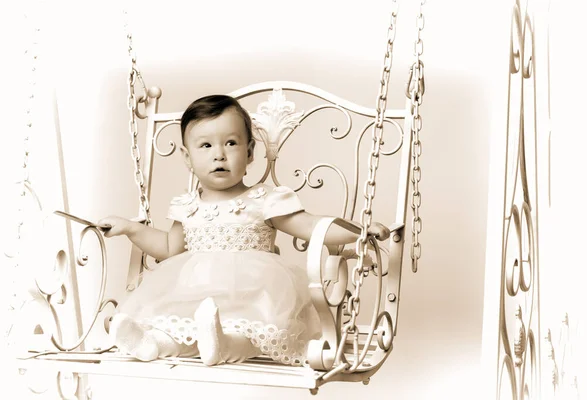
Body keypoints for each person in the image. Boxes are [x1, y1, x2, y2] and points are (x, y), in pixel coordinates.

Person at [99, 95, 390, 367]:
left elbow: (310, 226)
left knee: (250, 332)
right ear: (187, 158)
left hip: (254, 296)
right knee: (176, 325)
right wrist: (130, 229)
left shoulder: (264, 200)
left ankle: (222, 344)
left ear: (250, 152)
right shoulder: (186, 206)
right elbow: (168, 248)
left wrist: (358, 231)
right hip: (195, 295)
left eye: (231, 143)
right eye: (206, 146)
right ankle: (153, 344)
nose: (219, 155)